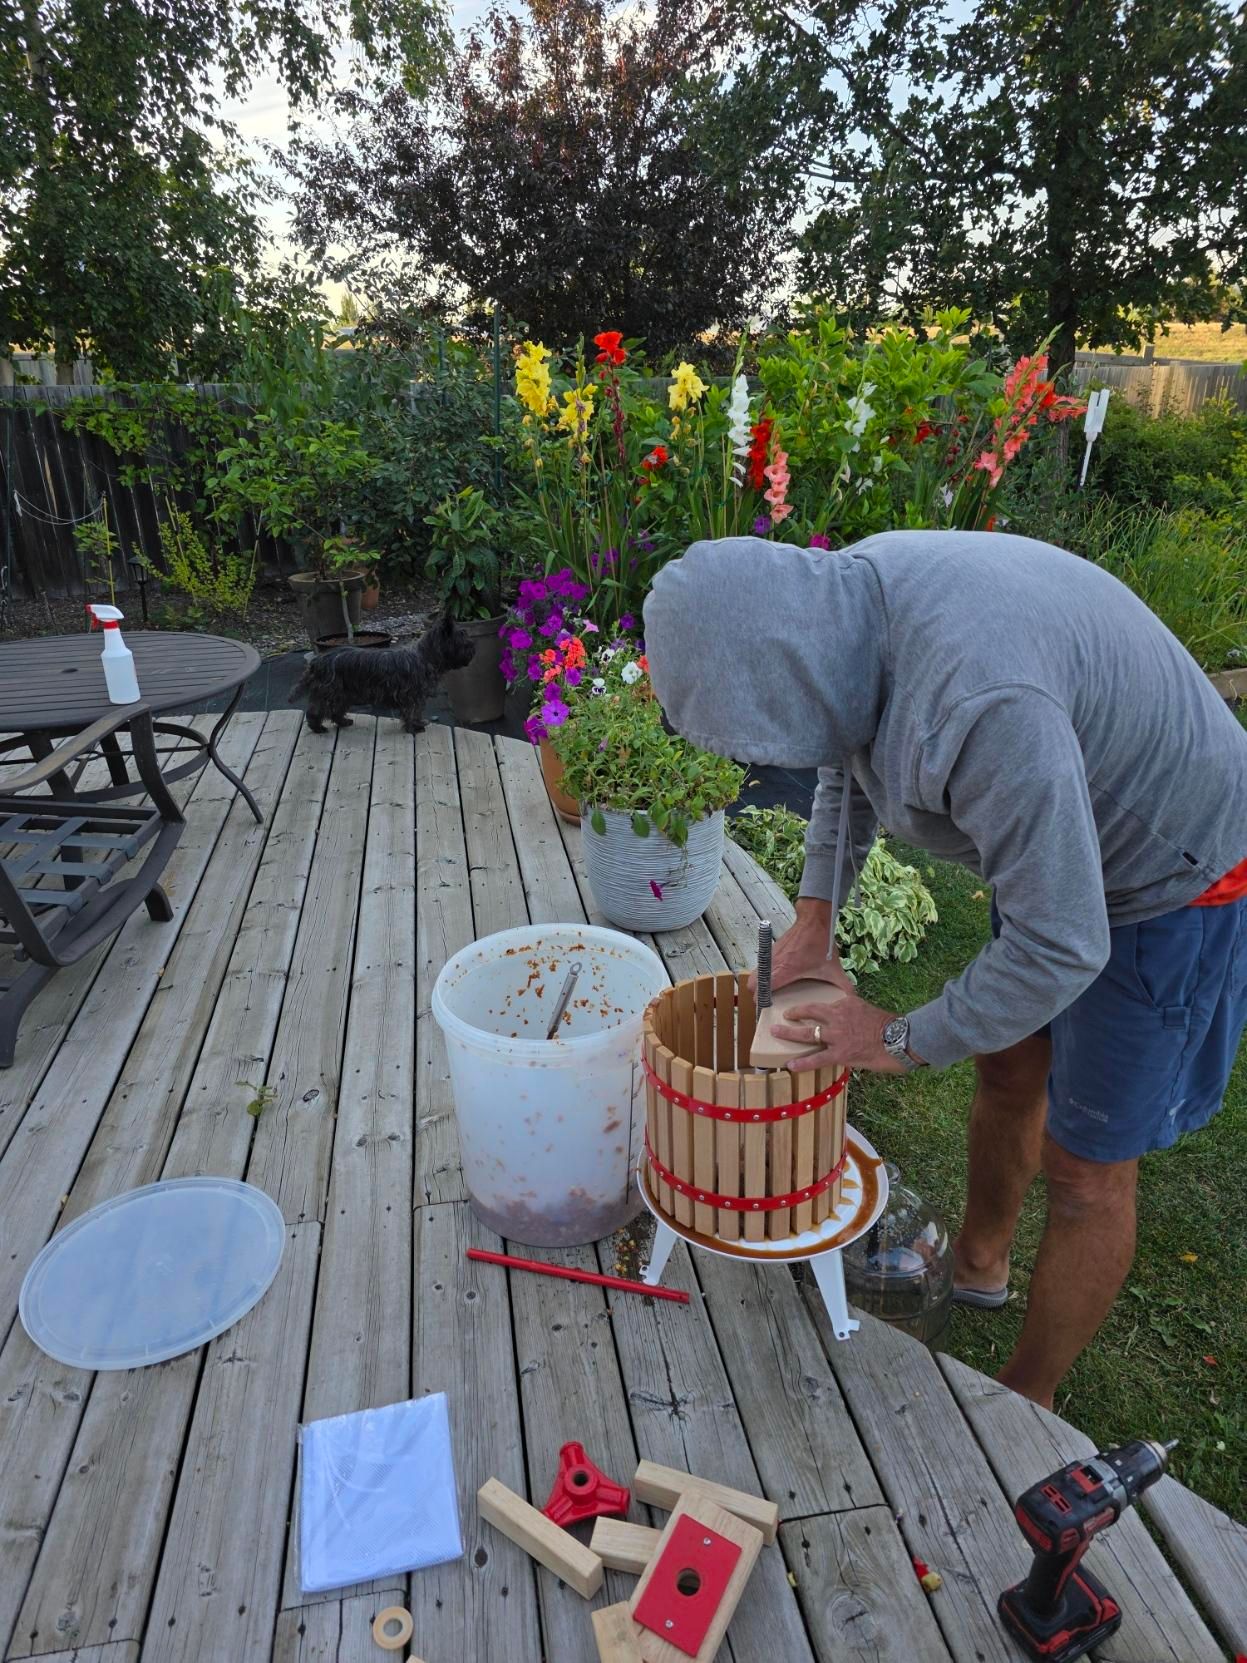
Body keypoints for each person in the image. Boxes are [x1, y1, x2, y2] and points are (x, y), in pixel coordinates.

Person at [643, 532, 1247, 1408]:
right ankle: (978, 1263)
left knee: (1084, 1166)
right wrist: (814, 918)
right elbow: (845, 761)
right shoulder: (840, 615)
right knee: (1007, 1065)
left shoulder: (984, 707)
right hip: (1056, 838)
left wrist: (893, 1037)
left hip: (1172, 867)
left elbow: (1062, 943)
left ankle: (1028, 1400)